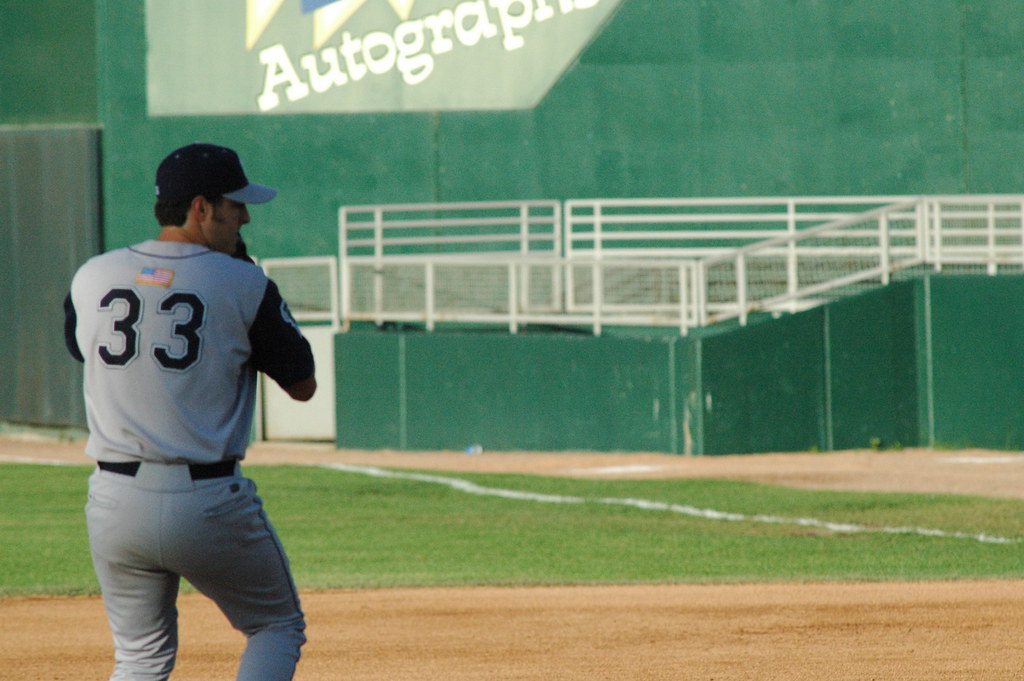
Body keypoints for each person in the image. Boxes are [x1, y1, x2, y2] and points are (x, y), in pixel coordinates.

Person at [63, 142, 317, 681]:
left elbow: (79, 346)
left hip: (113, 502)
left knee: (138, 659)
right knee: (276, 626)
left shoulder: (91, 275)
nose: (246, 216)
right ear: (201, 208)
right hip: (206, 501)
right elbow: (303, 384)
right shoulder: (244, 283)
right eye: (236, 205)